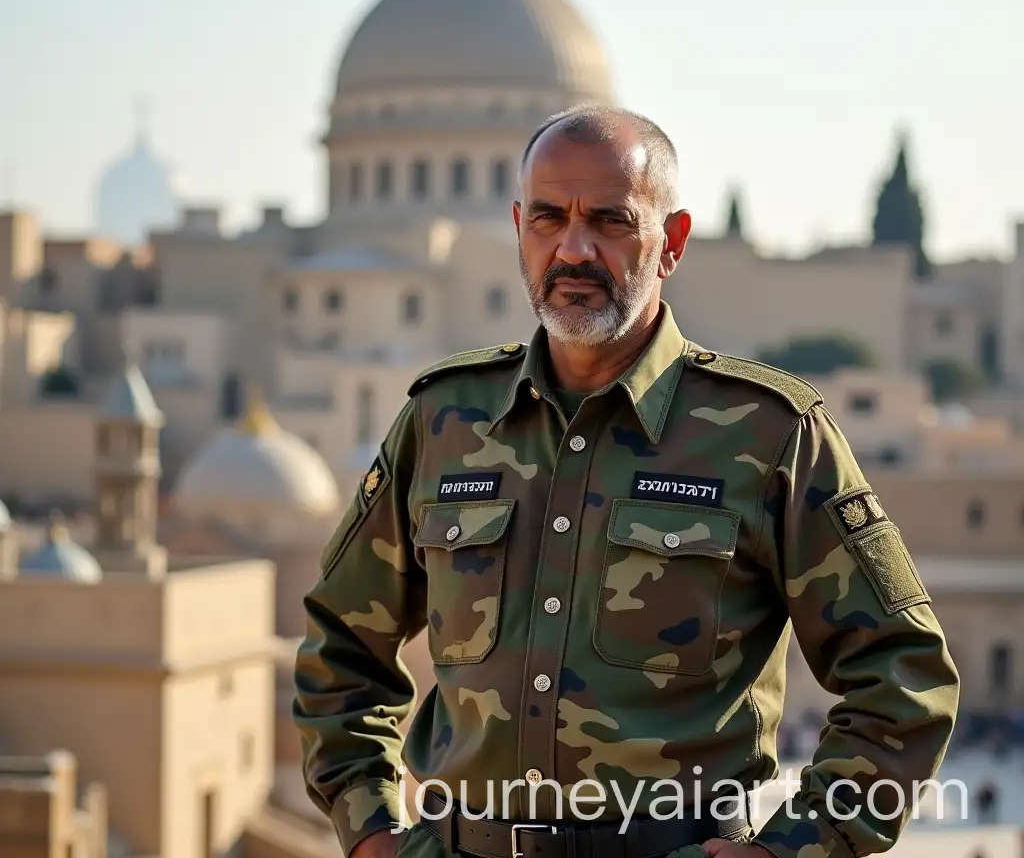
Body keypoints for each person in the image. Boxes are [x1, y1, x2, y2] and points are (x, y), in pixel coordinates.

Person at [292, 106, 960, 858]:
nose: (573, 249)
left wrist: (794, 849)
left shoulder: (767, 432)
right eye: (549, 218)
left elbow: (902, 675)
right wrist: (370, 831)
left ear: (670, 242)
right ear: (520, 228)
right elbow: (340, 646)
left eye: (610, 221)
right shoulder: (444, 420)